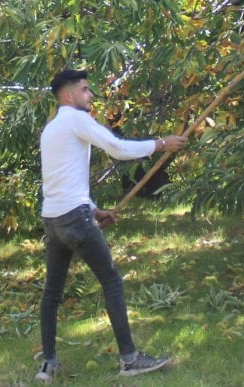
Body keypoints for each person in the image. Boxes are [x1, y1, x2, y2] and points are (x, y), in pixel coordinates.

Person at [35, 69, 188, 382]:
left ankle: (48, 364)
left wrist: (94, 210)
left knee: (52, 293)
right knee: (112, 281)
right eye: (85, 90)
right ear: (68, 96)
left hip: (53, 219)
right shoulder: (77, 120)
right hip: (73, 218)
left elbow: (61, 179)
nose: (91, 95)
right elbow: (117, 148)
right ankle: (129, 360)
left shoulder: (51, 129)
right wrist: (160, 144)